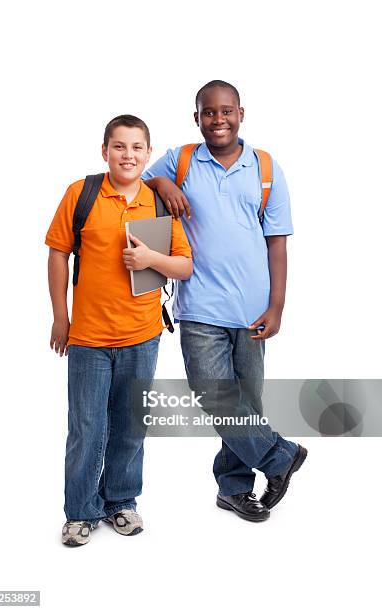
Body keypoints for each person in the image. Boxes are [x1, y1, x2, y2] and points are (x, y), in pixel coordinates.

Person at [143, 80, 307, 523]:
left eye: (226, 111)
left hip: (253, 309)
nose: (219, 120)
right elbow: (136, 183)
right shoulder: (179, 160)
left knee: (245, 404)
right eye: (209, 113)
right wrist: (161, 181)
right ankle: (279, 455)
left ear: (241, 113)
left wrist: (277, 306)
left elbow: (277, 242)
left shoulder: (266, 167)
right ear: (197, 118)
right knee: (215, 395)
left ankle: (234, 489)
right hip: (199, 305)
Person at [45, 115, 192, 545]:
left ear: (149, 154)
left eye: (137, 148)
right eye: (119, 147)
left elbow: (184, 265)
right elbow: (57, 255)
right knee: (86, 426)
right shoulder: (82, 193)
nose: (128, 155)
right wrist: (60, 317)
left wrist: (151, 260)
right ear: (105, 150)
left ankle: (121, 503)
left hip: (142, 337)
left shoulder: (159, 203)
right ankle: (81, 511)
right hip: (88, 338)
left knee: (130, 424)